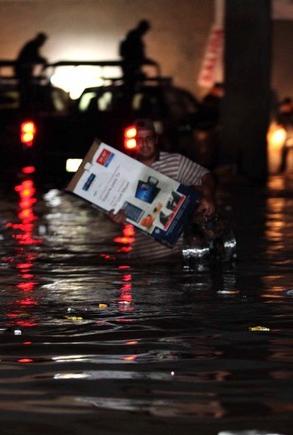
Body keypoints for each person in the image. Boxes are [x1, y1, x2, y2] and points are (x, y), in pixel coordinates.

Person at [108, 119, 216, 262]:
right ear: (133, 142)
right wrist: (115, 217)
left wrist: (207, 196)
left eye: (149, 139)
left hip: (178, 255)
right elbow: (111, 208)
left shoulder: (175, 162)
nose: (144, 144)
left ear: (156, 139)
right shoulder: (124, 171)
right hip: (144, 258)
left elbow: (205, 176)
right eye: (139, 139)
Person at [118, 20, 157, 96]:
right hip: (131, 66)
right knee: (131, 86)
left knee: (131, 85)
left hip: (131, 66)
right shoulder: (134, 37)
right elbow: (136, 52)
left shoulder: (133, 36)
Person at [15, 32, 48, 109]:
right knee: (26, 89)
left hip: (23, 70)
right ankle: (26, 106)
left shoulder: (31, 45)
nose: (43, 44)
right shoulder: (32, 46)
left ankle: (25, 105)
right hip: (23, 71)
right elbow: (35, 57)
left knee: (25, 89)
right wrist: (43, 61)